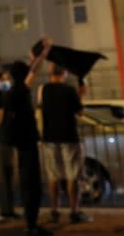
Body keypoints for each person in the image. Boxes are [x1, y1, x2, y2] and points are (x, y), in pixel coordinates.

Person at [0, 37, 53, 236]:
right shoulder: (20, 91)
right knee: (32, 185)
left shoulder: (12, 92)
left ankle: (31, 224)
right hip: (27, 144)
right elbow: (34, 70)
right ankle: (31, 226)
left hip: (22, 144)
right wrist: (44, 53)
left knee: (27, 183)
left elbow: (31, 70)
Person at [37, 64, 90, 224]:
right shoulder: (69, 90)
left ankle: (54, 210)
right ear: (64, 73)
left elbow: (40, 108)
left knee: (53, 176)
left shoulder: (43, 90)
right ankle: (74, 211)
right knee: (72, 176)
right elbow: (80, 112)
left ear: (51, 73)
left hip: (49, 138)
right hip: (69, 137)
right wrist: (81, 96)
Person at [0, 70, 19, 222]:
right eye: (3, 79)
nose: (6, 82)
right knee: (4, 176)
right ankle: (5, 211)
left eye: (8, 79)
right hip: (1, 141)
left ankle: (10, 209)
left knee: (9, 176)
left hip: (6, 140)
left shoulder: (4, 97)